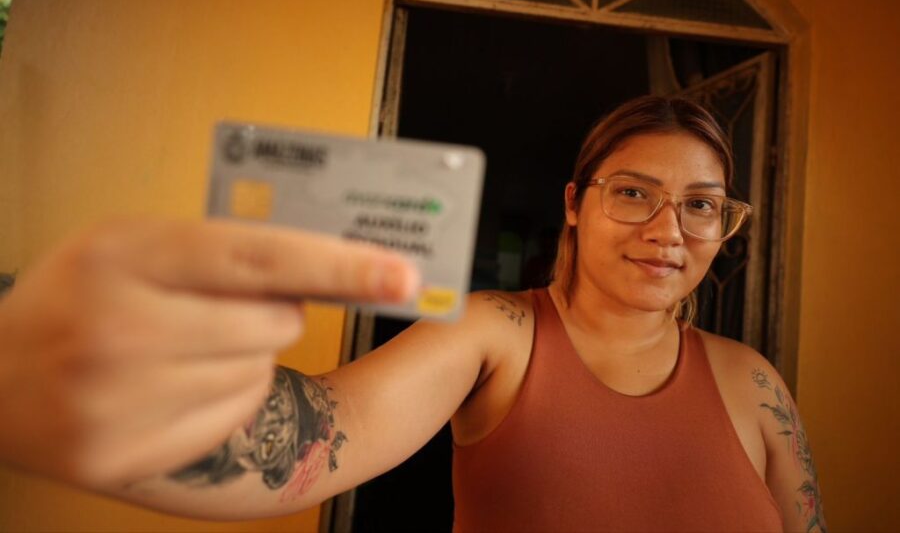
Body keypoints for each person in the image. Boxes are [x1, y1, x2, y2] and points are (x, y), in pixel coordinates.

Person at [0, 96, 826, 531]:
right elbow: (325, 430)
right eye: (636, 193)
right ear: (575, 204)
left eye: (701, 204)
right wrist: (67, 378)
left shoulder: (755, 384)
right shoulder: (496, 332)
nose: (669, 230)